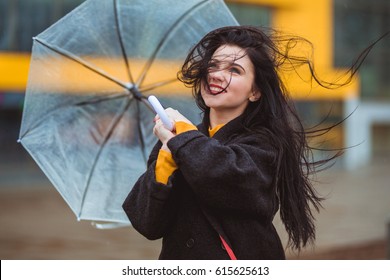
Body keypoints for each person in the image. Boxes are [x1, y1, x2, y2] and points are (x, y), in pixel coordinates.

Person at [122, 25, 369, 259]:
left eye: (234, 70)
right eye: (213, 65)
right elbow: (148, 224)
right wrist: (165, 160)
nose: (217, 75)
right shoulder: (178, 141)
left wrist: (183, 140)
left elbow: (223, 174)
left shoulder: (264, 146)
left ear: (255, 91)